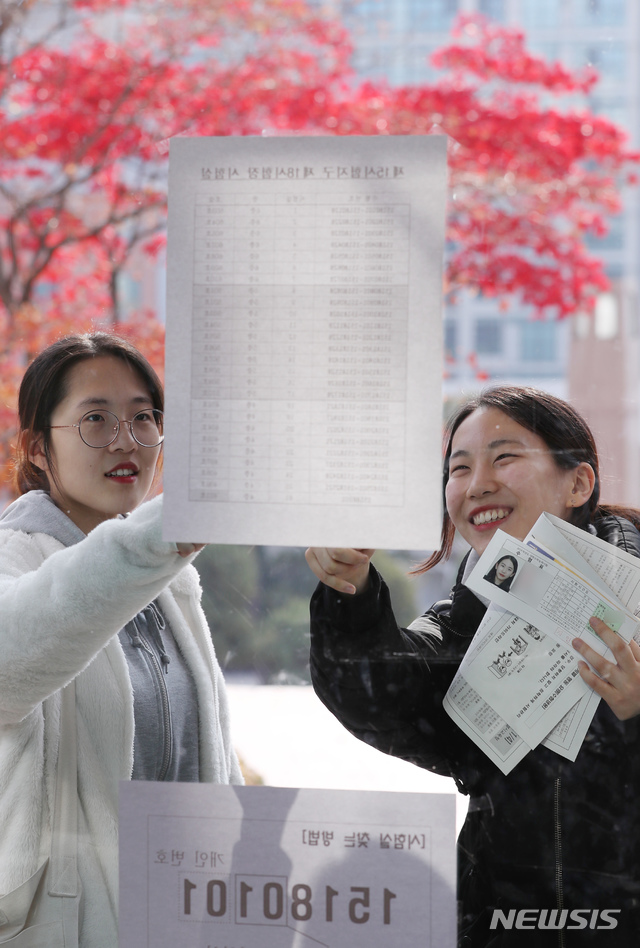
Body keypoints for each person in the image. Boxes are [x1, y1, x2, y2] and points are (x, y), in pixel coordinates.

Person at [306, 386, 640, 946]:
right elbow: (382, 698)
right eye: (459, 468)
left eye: (504, 457)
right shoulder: (461, 623)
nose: (477, 483)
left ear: (577, 484)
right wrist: (352, 593)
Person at [0, 332, 242, 947]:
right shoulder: (15, 563)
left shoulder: (172, 582)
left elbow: (211, 757)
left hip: (187, 920)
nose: (126, 440)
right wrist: (168, 529)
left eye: (143, 417)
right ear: (37, 448)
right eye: (95, 420)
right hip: (67, 927)